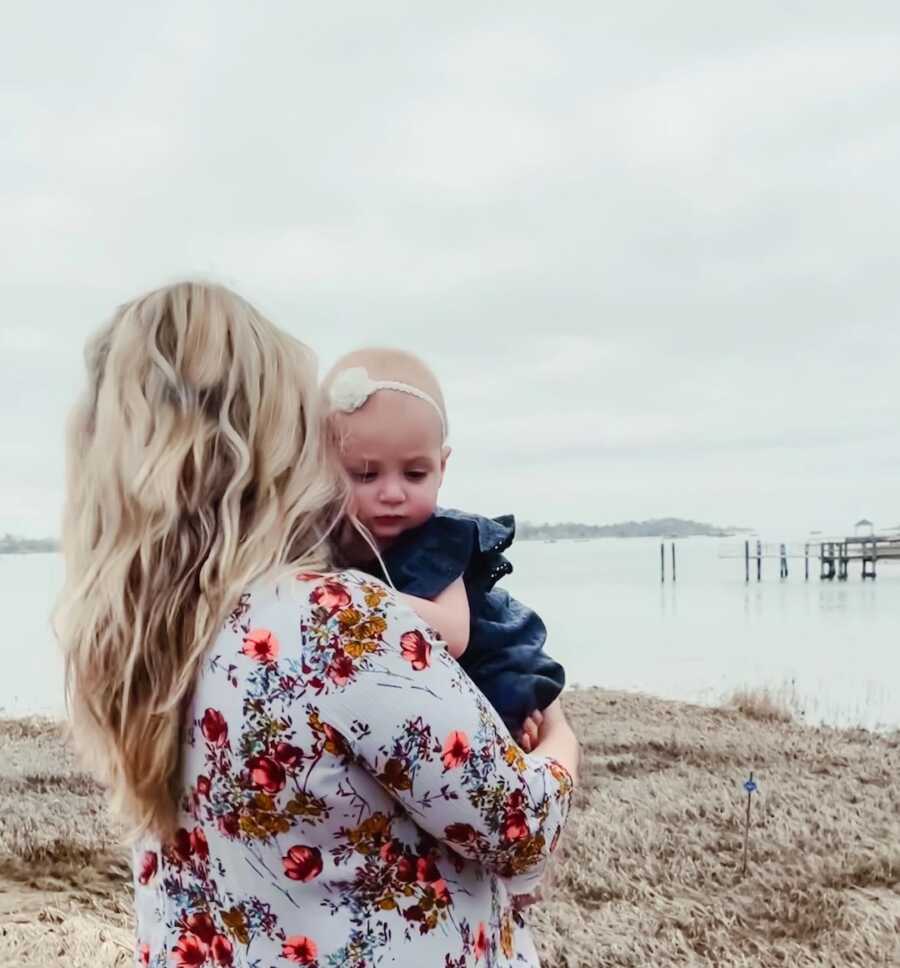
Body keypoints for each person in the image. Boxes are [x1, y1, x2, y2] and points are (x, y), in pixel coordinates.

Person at [55, 281, 579, 968]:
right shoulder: (336, 623)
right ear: (268, 438)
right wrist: (562, 735)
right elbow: (517, 825)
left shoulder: (139, 634)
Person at [324, 348, 565, 747]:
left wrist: (354, 595)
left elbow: (453, 633)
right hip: (400, 684)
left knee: (501, 720)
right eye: (365, 475)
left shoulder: (436, 540)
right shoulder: (330, 540)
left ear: (442, 468)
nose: (392, 493)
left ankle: (514, 732)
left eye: (415, 473)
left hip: (479, 667)